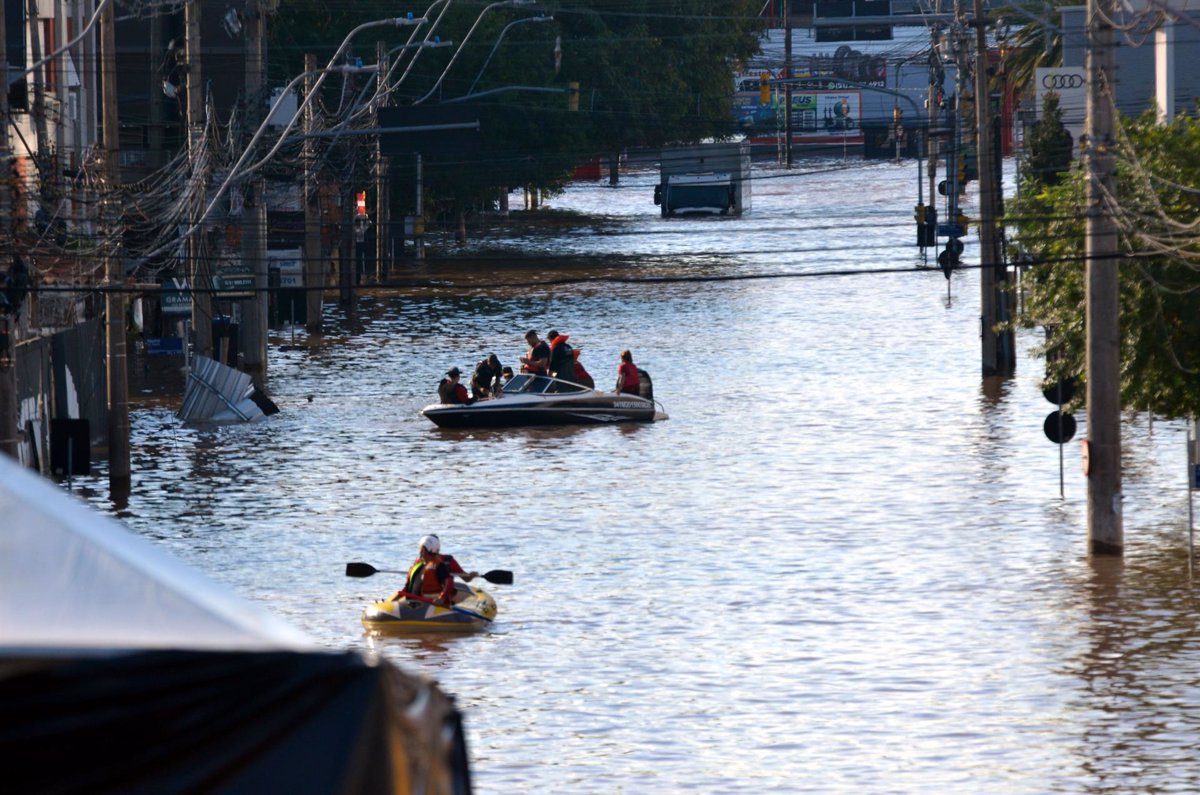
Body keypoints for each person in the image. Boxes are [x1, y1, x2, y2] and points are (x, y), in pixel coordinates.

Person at [390, 535, 478, 607]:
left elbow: (452, 582)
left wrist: (441, 599)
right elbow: (409, 586)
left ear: (424, 549)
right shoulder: (418, 564)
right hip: (420, 600)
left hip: (437, 601)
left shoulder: (445, 562)